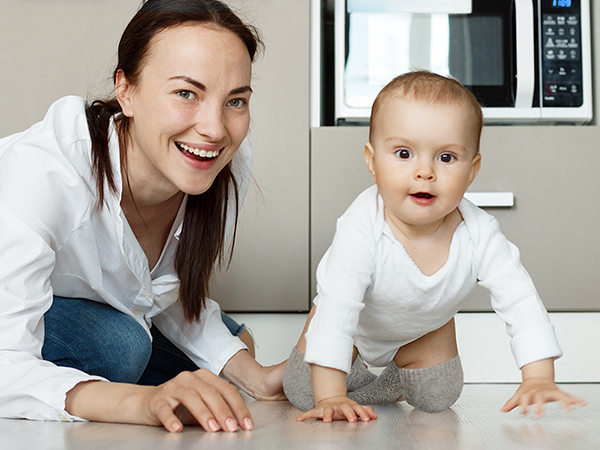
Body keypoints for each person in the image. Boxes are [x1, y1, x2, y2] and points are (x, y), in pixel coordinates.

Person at [0, 0, 285, 434]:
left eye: (235, 101)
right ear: (126, 91)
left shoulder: (221, 163)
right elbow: (5, 360)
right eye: (186, 93)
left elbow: (154, 294)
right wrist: (143, 402)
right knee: (122, 344)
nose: (214, 129)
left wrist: (258, 378)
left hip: (83, 303)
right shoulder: (42, 174)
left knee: (231, 342)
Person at [282, 71, 587, 423]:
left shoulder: (479, 232)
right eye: (403, 153)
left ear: (472, 171)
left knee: (439, 396)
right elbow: (338, 308)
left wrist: (538, 376)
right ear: (372, 161)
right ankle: (358, 383)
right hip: (355, 328)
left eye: (445, 158)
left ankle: (387, 378)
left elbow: (519, 299)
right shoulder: (361, 228)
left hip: (421, 329)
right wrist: (332, 396)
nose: (424, 171)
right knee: (307, 392)